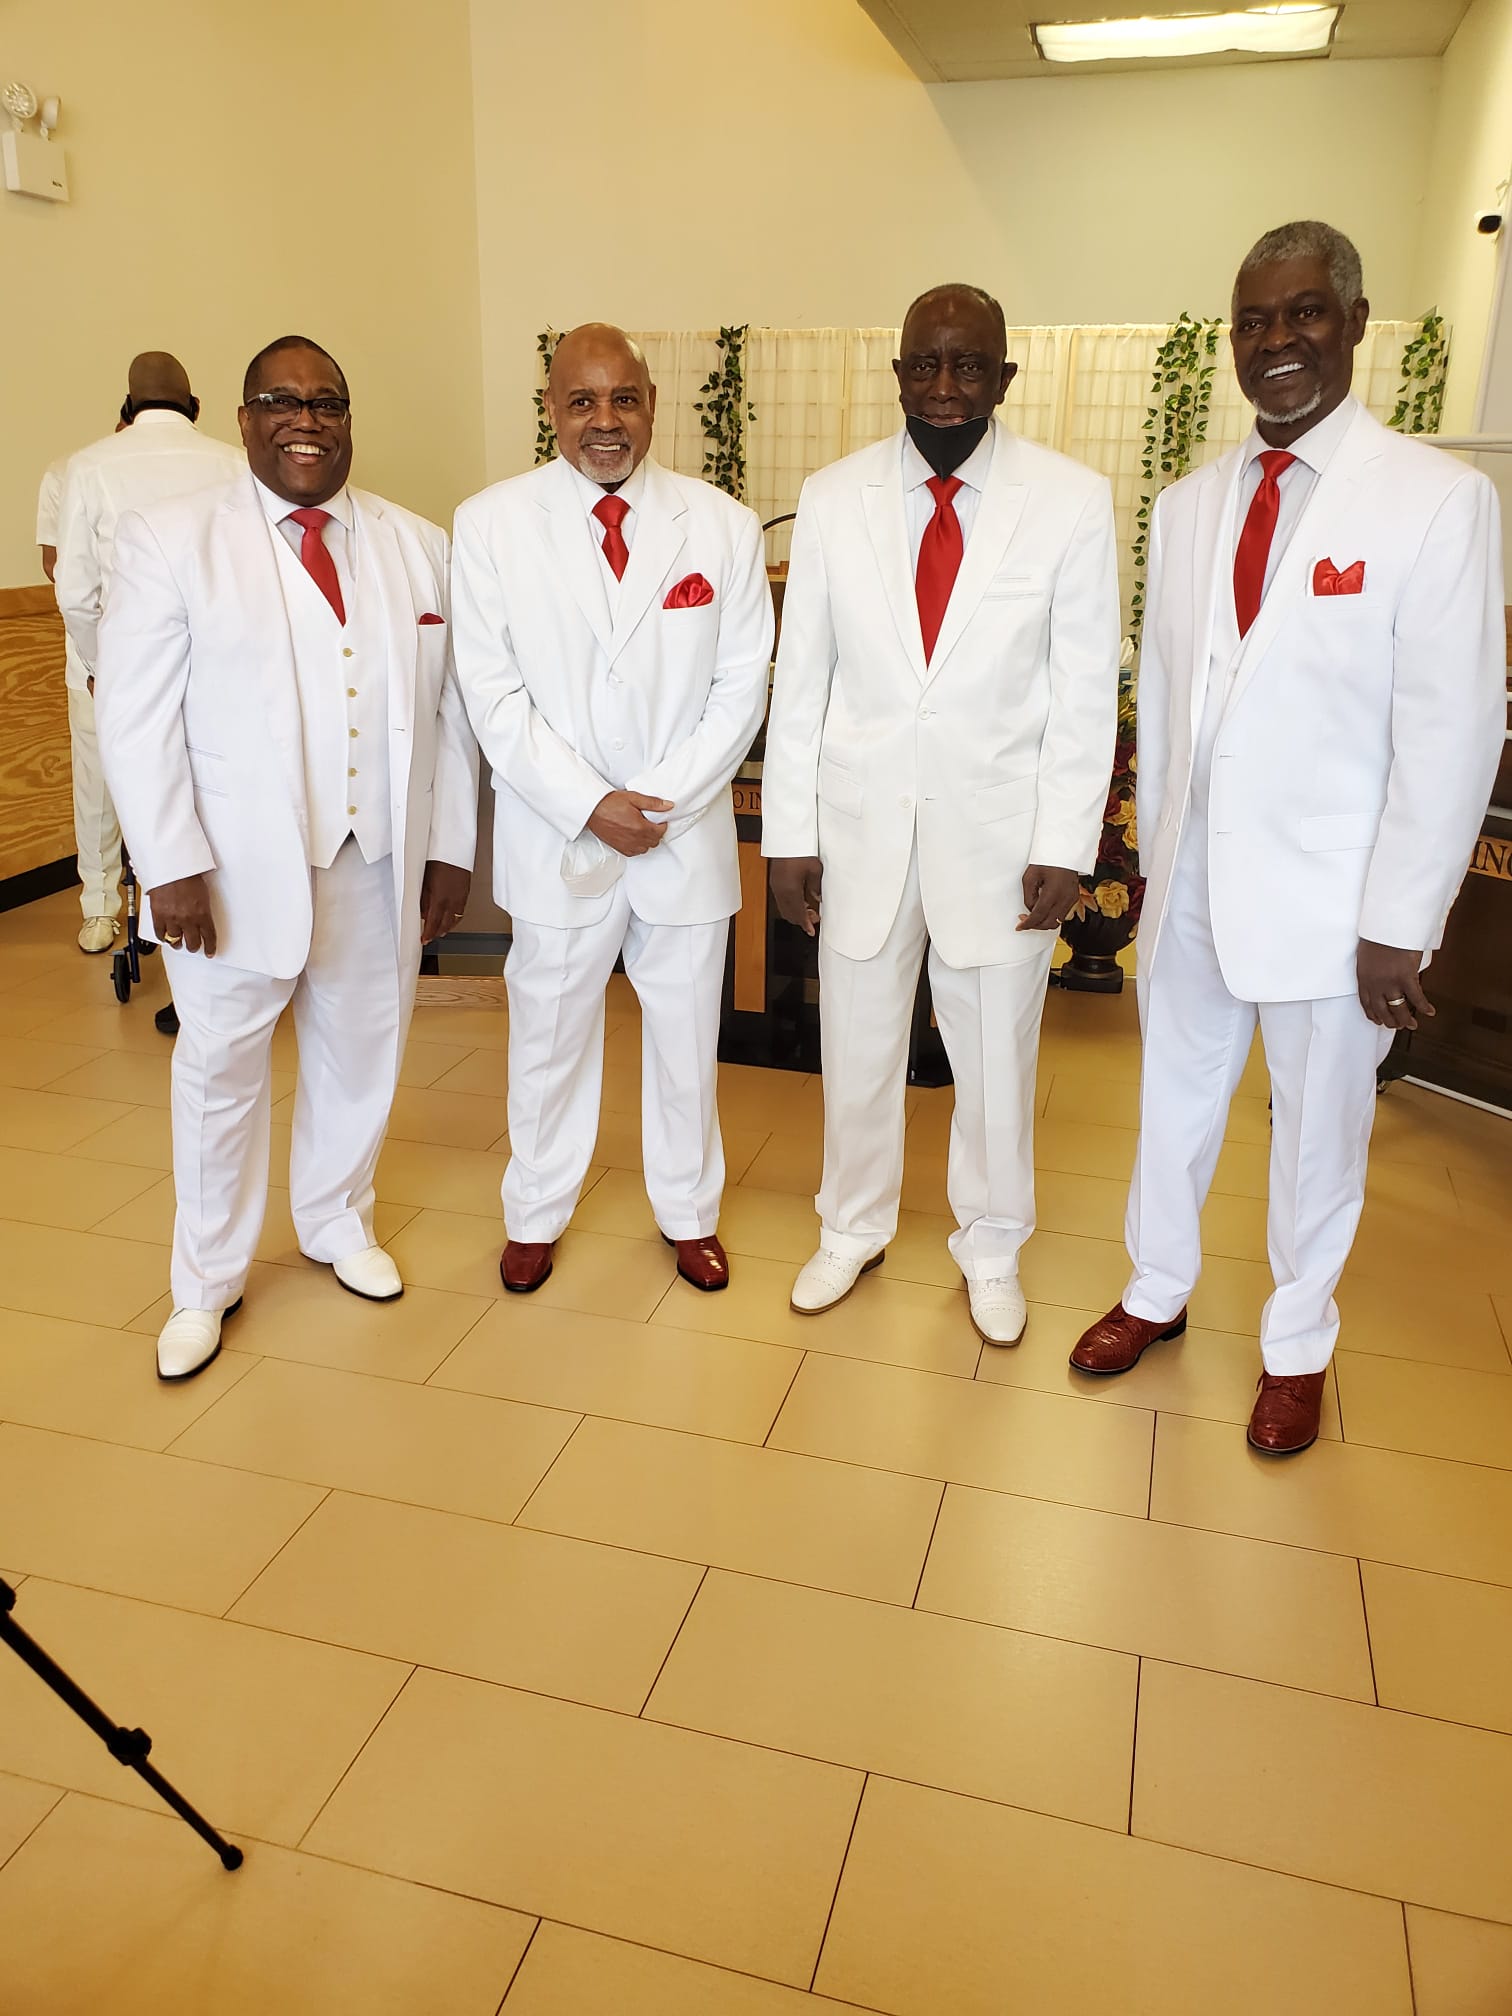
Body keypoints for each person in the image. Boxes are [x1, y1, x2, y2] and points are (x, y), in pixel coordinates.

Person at [1069, 221, 1506, 1454]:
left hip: (1336, 905)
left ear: (1357, 323)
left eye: (1305, 313)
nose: (1278, 342)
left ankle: (1297, 1341)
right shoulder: (1193, 503)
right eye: (1255, 321)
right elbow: (1167, 691)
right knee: (1173, 1101)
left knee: (1321, 1131)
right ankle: (1156, 1290)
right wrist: (1155, 863)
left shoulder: (1435, 500)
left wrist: (1401, 919)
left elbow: (1451, 728)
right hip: (1196, 877)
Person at [95, 335, 478, 1382]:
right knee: (220, 1070)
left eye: (327, 403)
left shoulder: (416, 543)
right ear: (244, 418)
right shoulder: (172, 540)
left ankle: (336, 1219)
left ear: (349, 420)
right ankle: (205, 1282)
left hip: (375, 855)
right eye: (282, 401)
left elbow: (447, 711)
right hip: (227, 871)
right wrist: (167, 862)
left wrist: (449, 849)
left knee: (365, 1049)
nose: (305, 419)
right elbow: (133, 719)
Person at [762, 284, 1120, 1344]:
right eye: (926, 365)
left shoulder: (1069, 500)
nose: (947, 388)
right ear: (900, 374)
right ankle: (852, 1225)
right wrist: (790, 834)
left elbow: (1084, 689)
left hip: (1003, 845)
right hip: (864, 831)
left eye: (970, 366)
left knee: (996, 1062)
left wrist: (1066, 843)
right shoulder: (834, 498)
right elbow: (804, 681)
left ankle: (993, 1242)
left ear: (1006, 377)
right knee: (858, 1042)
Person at [451, 323, 773, 1296]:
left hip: (682, 834)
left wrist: (658, 803)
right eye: (583, 401)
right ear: (551, 408)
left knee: (684, 1041)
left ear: (652, 403)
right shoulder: (490, 524)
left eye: (623, 399)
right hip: (559, 836)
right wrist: (593, 803)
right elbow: (490, 692)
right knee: (547, 1035)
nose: (605, 421)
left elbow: (741, 683)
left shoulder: (721, 526)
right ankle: (535, 1210)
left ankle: (689, 1213)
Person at [50, 361, 238, 957]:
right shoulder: (233, 462)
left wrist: (105, 667)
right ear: (198, 406)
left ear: (127, 406)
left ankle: (102, 912)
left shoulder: (88, 465)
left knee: (100, 790)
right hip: (214, 671)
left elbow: (74, 590)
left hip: (109, 666)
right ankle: (225, 908)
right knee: (216, 791)